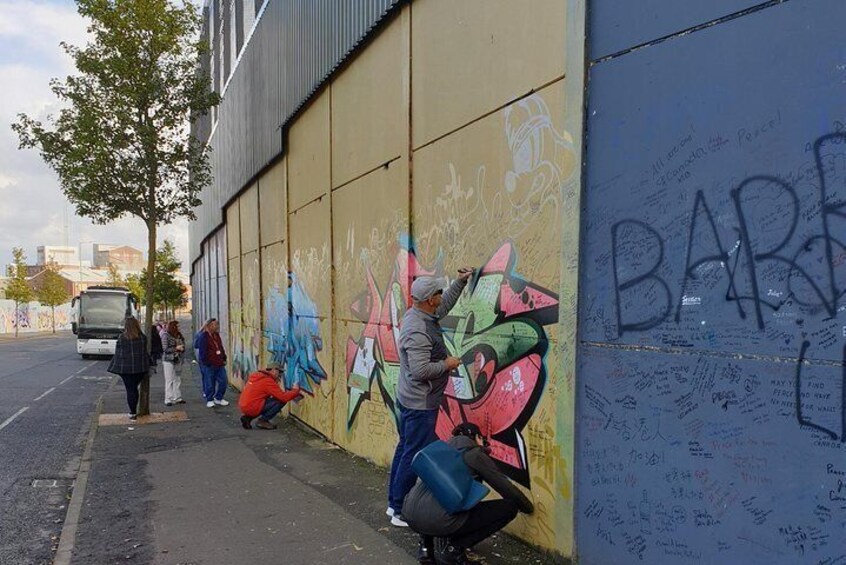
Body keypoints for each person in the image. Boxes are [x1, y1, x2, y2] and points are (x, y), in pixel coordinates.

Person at [387, 268, 474, 527]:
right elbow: (420, 370)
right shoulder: (418, 329)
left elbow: (444, 305)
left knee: (406, 448)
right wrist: (447, 364)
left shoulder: (423, 313)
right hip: (420, 403)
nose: (441, 295)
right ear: (428, 300)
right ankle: (400, 508)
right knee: (412, 453)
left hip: (413, 400)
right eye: (438, 292)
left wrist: (460, 282)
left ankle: (394, 504)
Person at [402, 423, 534, 565]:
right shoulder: (474, 454)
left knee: (434, 498)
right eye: (483, 439)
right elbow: (505, 487)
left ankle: (426, 549)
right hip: (439, 521)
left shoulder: (438, 450)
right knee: (509, 507)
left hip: (411, 514)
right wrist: (527, 507)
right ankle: (453, 549)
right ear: (477, 437)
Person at [106, 316, 150, 421]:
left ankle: (132, 412)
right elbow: (144, 352)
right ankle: (134, 411)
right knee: (134, 388)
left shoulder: (122, 338)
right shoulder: (143, 337)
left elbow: (118, 354)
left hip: (125, 369)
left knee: (130, 389)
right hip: (140, 368)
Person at [238, 365, 303, 430]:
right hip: (252, 407)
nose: (280, 374)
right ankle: (263, 421)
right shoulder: (268, 381)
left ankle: (247, 418)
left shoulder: (258, 376)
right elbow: (283, 397)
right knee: (281, 401)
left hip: (244, 405)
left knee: (262, 402)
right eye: (280, 372)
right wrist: (295, 390)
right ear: (274, 370)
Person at [195, 318, 229, 408]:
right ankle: (210, 399)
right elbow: (202, 351)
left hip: (219, 363)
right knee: (209, 382)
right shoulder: (204, 336)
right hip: (209, 363)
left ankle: (219, 398)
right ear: (209, 326)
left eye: (217, 324)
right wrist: (206, 362)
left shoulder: (216, 335)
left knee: (223, 381)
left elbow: (220, 347)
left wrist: (224, 357)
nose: (217, 326)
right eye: (215, 325)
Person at [160, 320, 186, 406]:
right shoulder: (165, 335)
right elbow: (165, 349)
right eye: (178, 326)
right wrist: (176, 348)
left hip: (178, 359)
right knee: (169, 379)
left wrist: (182, 348)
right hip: (168, 360)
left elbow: (183, 345)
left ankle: (177, 397)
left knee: (177, 379)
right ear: (173, 327)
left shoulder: (179, 335)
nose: (179, 328)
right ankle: (168, 398)